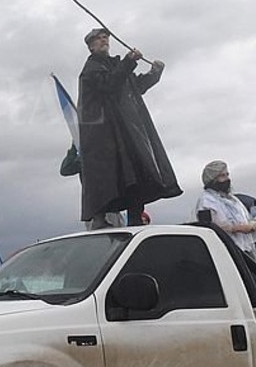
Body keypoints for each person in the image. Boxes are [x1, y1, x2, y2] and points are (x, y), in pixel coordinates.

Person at [77, 28, 181, 229]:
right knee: (105, 176)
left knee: (133, 172)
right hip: (103, 134)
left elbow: (135, 86)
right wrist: (129, 61)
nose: (104, 40)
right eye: (99, 39)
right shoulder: (91, 68)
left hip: (124, 132)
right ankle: (99, 218)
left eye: (105, 37)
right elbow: (109, 84)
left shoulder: (115, 65)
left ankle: (135, 216)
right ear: (90, 46)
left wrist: (154, 74)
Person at [193, 161, 256, 262]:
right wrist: (237, 228)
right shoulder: (206, 201)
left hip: (244, 251)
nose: (227, 179)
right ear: (212, 179)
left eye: (227, 175)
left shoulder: (233, 201)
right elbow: (211, 228)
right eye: (222, 176)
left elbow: (247, 224)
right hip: (225, 254)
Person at [61, 145, 150, 227]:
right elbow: (66, 169)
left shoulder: (112, 152)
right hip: (98, 205)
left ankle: (134, 220)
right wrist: (74, 147)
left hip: (113, 203)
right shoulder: (87, 158)